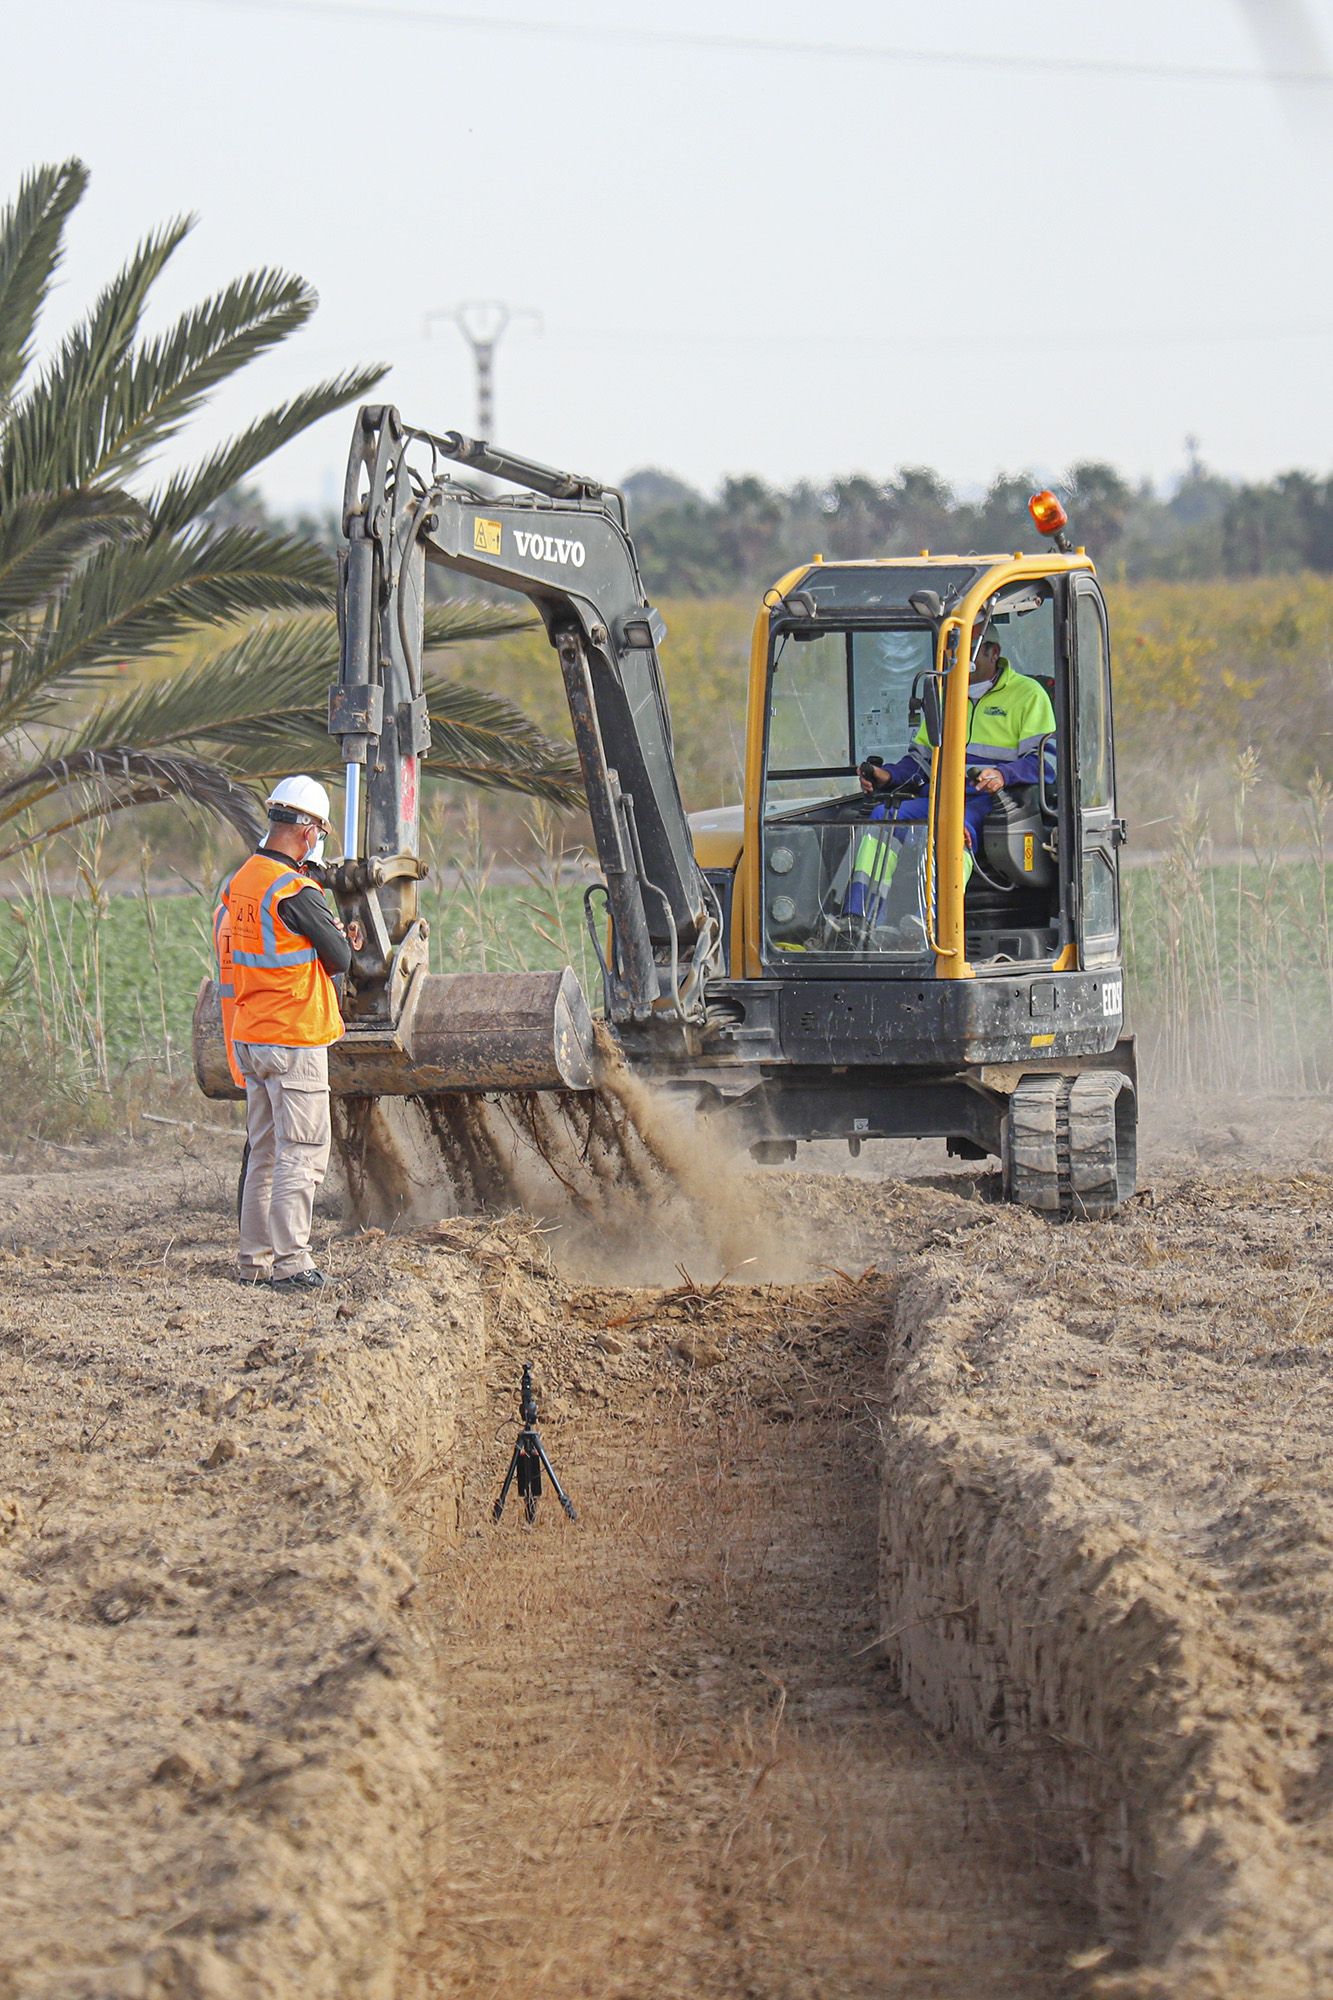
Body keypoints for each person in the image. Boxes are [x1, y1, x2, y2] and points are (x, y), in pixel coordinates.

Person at [221, 776, 361, 1293]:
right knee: (301, 1152)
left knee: (265, 1152)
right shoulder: (297, 891)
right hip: (294, 1036)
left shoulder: (245, 880)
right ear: (307, 834)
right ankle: (292, 1264)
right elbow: (341, 958)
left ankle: (254, 1261)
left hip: (253, 1032)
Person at [845, 635, 1056, 932]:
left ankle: (933, 923)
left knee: (953, 827)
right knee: (884, 818)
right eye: (953, 652)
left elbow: (1045, 764)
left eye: (967, 651)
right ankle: (859, 918)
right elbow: (921, 761)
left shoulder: (1029, 695)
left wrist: (1002, 775)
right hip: (942, 794)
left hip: (993, 800)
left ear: (993, 652)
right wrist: (887, 776)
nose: (957, 659)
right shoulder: (944, 695)